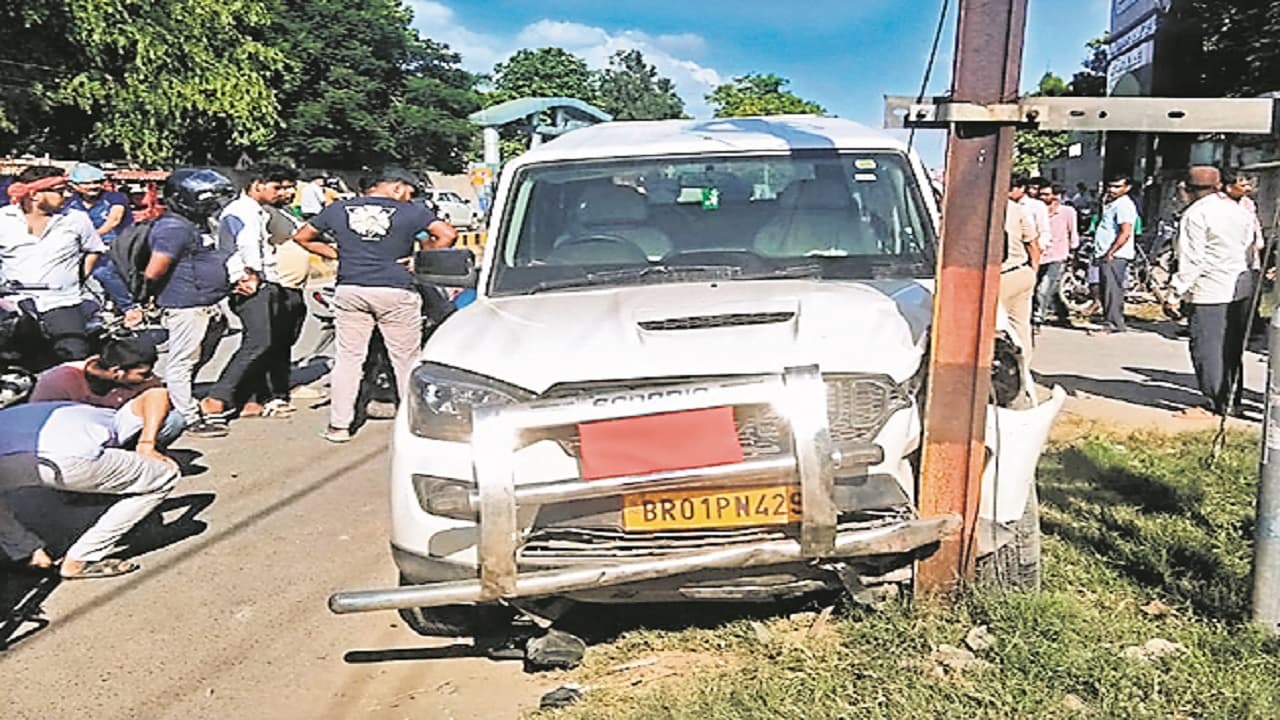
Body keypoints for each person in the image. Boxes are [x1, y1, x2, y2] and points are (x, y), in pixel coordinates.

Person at [292, 167, 457, 443]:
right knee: (405, 360)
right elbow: (447, 234)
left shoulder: (339, 208)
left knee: (348, 359)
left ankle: (338, 427)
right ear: (395, 187)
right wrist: (422, 260)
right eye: (408, 191)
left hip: (350, 289)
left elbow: (302, 236)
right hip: (395, 290)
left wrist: (336, 254)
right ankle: (415, 426)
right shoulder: (411, 213)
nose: (409, 197)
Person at [0, 399, 180, 579]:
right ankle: (81, 558)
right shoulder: (120, 420)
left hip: (9, 450)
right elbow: (159, 394)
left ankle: (27, 552)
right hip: (67, 457)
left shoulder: (81, 411)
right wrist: (147, 444)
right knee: (165, 476)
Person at [140, 168, 239, 438]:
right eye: (205, 198)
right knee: (182, 362)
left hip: (207, 304)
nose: (211, 204)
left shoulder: (197, 223)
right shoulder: (173, 228)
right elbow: (154, 270)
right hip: (187, 306)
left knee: (199, 358)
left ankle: (179, 399)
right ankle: (188, 416)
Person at [198, 162, 299, 425]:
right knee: (258, 342)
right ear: (257, 185)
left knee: (267, 344)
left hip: (266, 281)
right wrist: (252, 275)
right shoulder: (242, 211)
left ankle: (250, 399)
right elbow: (246, 247)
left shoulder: (259, 211)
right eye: (277, 187)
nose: (282, 193)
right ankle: (216, 398)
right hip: (251, 283)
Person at [1164, 167, 1257, 418]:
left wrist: (1174, 294)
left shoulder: (1195, 215)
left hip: (1210, 290)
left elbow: (1191, 260)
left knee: (1207, 347)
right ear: (1218, 186)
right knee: (1231, 348)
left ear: (1187, 189)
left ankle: (1216, 402)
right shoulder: (1240, 211)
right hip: (1240, 287)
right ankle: (1232, 398)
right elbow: (1253, 247)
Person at [0, 166, 105, 363]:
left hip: (63, 302)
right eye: (59, 191)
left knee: (74, 359)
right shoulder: (4, 219)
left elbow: (93, 250)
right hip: (14, 304)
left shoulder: (76, 220)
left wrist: (79, 278)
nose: (66, 195)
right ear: (34, 195)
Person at [29, 335, 186, 450]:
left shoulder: (146, 384)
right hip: (73, 436)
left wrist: (147, 441)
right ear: (117, 371)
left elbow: (159, 404)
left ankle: (140, 458)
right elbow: (35, 419)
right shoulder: (59, 379)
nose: (148, 378)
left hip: (117, 432)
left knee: (174, 420)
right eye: (143, 374)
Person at [65, 163, 138, 319]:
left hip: (117, 243)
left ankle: (128, 307)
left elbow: (114, 220)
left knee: (103, 271)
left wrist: (90, 237)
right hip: (83, 245)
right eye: (87, 183)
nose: (93, 186)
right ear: (74, 185)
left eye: (97, 182)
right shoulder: (70, 203)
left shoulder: (115, 198)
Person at [1092, 174, 1140, 334]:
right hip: (1105, 252)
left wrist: (1111, 251)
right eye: (1110, 186)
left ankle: (1113, 322)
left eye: (1117, 186)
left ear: (1127, 188)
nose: (1112, 189)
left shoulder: (1124, 205)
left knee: (1112, 289)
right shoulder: (1112, 203)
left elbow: (1125, 232)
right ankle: (1111, 320)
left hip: (1115, 254)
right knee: (1107, 288)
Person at [1001, 178, 1040, 354]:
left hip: (1002, 275)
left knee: (992, 325)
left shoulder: (982, 209)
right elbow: (1032, 243)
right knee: (1020, 325)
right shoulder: (1018, 209)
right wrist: (1034, 270)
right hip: (1022, 271)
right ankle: (1024, 368)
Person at [1034, 184, 1079, 329]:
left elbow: (1073, 232)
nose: (1042, 197)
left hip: (1057, 255)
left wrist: (1073, 252)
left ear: (1056, 196)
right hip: (1038, 254)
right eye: (1040, 194)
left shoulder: (1067, 212)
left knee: (1044, 287)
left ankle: (1038, 318)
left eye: (1046, 194)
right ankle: (1062, 314)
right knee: (1048, 289)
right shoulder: (1037, 211)